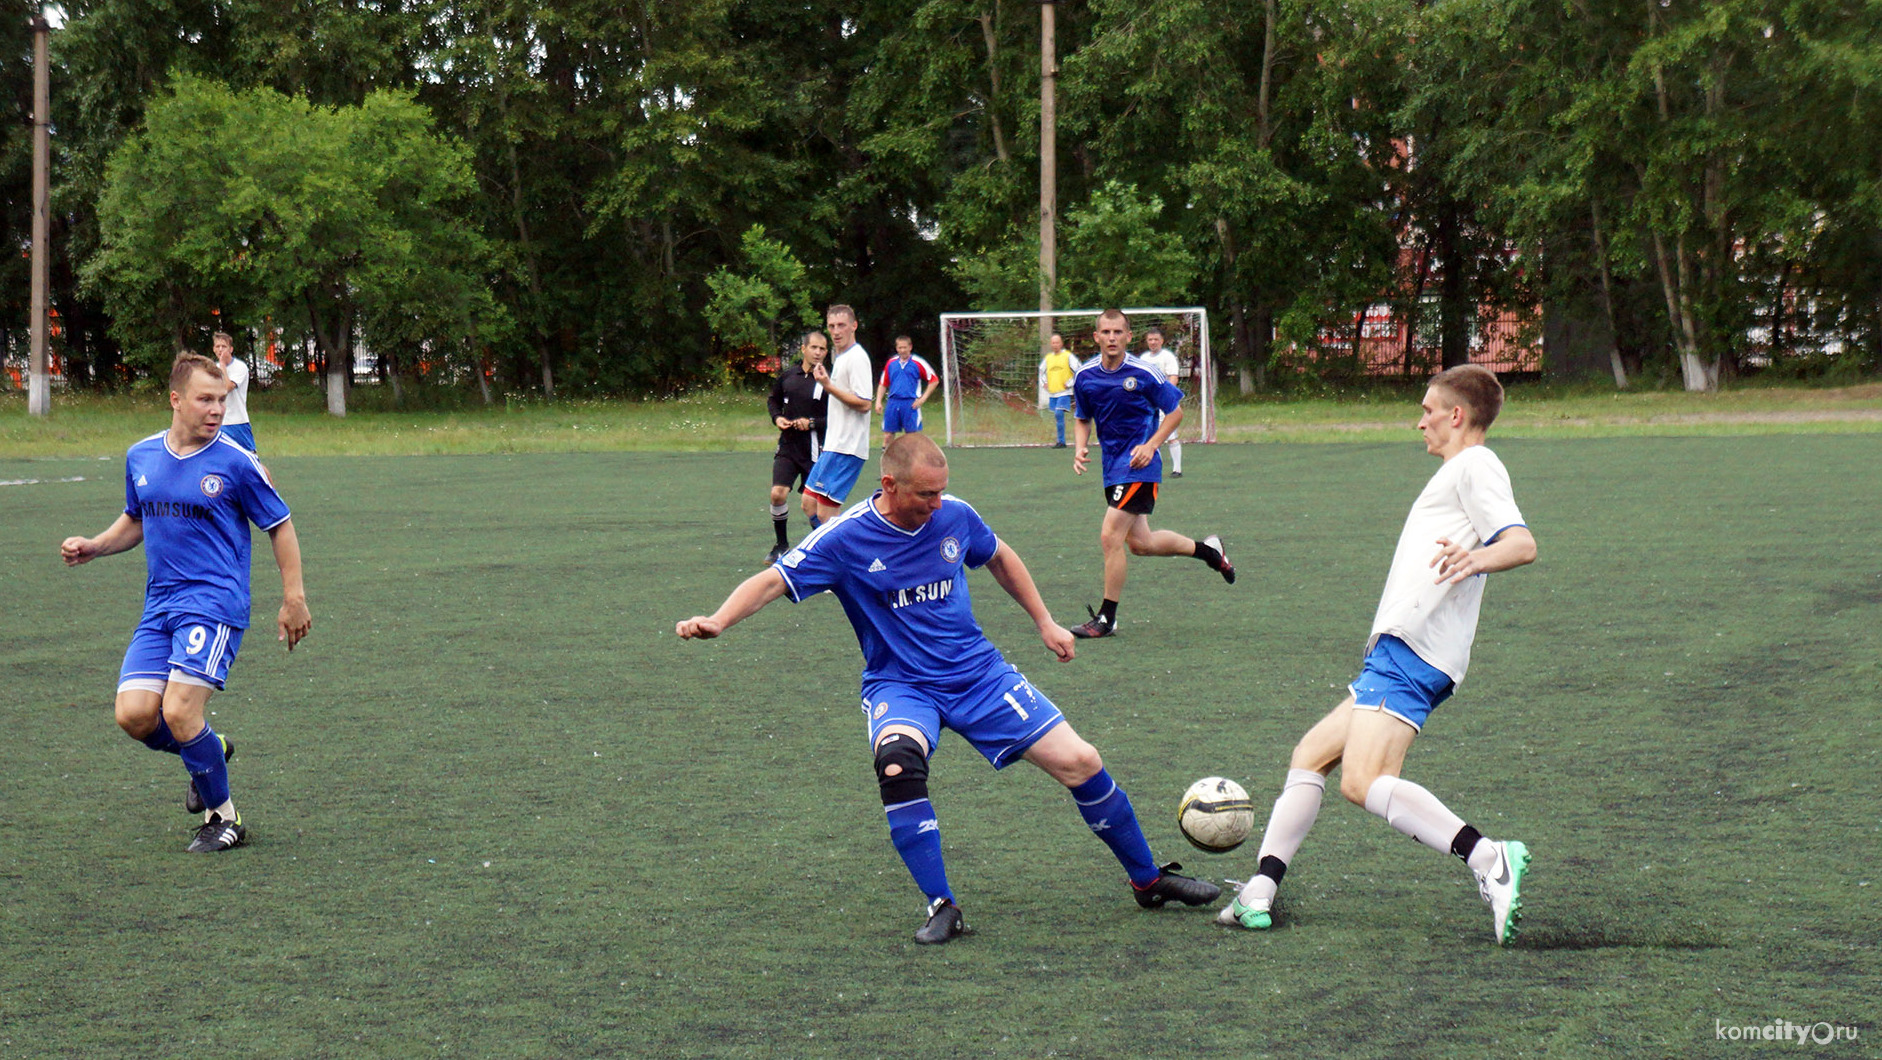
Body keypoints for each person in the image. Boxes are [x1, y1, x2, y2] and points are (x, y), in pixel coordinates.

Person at [677, 435, 1220, 943]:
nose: (937, 503)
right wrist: (720, 620)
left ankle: (1148, 881)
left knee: (1081, 761)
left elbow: (1000, 557)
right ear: (889, 486)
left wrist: (1045, 622)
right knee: (897, 763)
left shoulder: (955, 514)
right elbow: (774, 580)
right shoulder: (843, 537)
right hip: (902, 683)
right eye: (925, 494)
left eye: (941, 491)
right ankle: (942, 905)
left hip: (979, 675)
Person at [1220, 365, 1537, 945]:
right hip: (1402, 648)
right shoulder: (1459, 470)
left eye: (1427, 410)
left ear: (1457, 416)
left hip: (1415, 650)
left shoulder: (1475, 464)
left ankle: (1488, 856)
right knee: (1311, 755)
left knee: (1363, 781)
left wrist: (1475, 560)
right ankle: (1259, 891)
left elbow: (1520, 543)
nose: (1420, 421)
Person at [59, 353, 312, 853]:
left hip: (214, 603)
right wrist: (95, 545)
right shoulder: (141, 456)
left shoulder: (237, 461)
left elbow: (279, 525)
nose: (217, 409)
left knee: (178, 710)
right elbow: (138, 517)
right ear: (176, 400)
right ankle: (211, 750)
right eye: (205, 399)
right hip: (160, 606)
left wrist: (294, 597)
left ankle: (225, 817)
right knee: (134, 716)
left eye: (222, 399)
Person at [1067, 309, 1234, 639]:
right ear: (1096, 336)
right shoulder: (1086, 376)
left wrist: (1151, 445)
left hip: (1140, 468)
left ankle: (1107, 618)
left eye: (1118, 332)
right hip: (1112, 469)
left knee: (1109, 535)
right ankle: (1210, 551)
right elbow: (1082, 417)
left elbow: (1175, 413)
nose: (1112, 337)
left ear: (1129, 337)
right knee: (1141, 544)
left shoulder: (1144, 373)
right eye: (1106, 332)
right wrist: (1080, 447)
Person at [801, 305, 874, 524]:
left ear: (854, 326)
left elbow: (864, 403)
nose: (836, 331)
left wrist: (827, 386)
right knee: (808, 504)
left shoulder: (858, 358)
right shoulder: (841, 357)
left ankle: (840, 556)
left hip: (848, 447)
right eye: (831, 326)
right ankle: (828, 552)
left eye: (841, 325)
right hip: (834, 445)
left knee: (826, 515)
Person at [765, 331, 831, 564]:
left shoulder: (827, 380)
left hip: (815, 449)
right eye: (814, 347)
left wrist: (812, 423)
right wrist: (777, 418)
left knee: (812, 506)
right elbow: (773, 400)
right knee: (777, 494)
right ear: (803, 349)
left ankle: (823, 553)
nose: (818, 352)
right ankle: (781, 545)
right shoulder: (788, 376)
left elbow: (836, 417)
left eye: (822, 349)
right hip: (788, 446)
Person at [873, 335, 939, 447]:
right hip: (893, 402)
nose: (902, 350)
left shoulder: (918, 363)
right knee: (888, 435)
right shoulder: (891, 363)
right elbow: (883, 383)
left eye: (904, 347)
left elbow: (934, 380)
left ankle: (912, 462)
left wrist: (922, 399)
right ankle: (887, 461)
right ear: (896, 348)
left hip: (910, 403)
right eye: (900, 348)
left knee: (911, 437)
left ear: (910, 347)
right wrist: (878, 401)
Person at [1143, 327, 1182, 477]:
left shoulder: (1167, 356)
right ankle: (1151, 468)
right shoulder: (1144, 358)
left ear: (1161, 341)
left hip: (1164, 405)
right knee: (1149, 436)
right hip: (1148, 405)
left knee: (1171, 436)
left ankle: (1177, 469)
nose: (1153, 342)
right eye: (1150, 340)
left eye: (1156, 340)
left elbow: (1173, 377)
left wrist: (1165, 397)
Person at [213, 331, 257, 453]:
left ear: (231, 349)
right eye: (218, 346)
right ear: (214, 349)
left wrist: (222, 365)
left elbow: (227, 388)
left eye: (224, 346)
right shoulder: (211, 368)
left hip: (237, 421)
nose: (220, 350)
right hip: (219, 422)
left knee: (249, 456)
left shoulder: (240, 367)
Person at [1036, 332, 1080, 448]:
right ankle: (1061, 441)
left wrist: (1070, 383)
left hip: (1064, 392)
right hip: (1053, 393)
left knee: (1058, 413)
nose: (1055, 345)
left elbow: (1079, 370)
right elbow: (1041, 372)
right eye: (1053, 343)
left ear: (1061, 344)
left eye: (1057, 342)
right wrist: (1044, 383)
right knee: (1057, 416)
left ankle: (1061, 441)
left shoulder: (1068, 356)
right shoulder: (1048, 358)